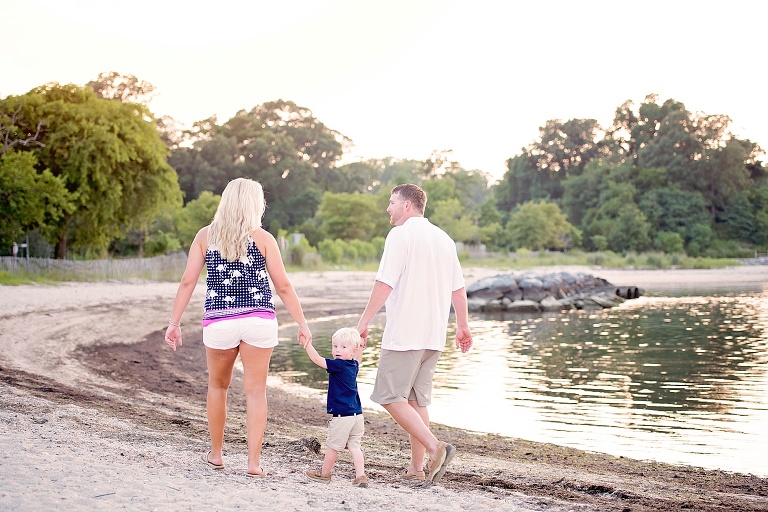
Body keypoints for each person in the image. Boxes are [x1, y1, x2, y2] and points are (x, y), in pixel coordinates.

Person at [164, 177, 312, 478]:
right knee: (256, 392)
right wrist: (302, 322)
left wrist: (174, 322)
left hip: (220, 322)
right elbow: (282, 285)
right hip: (259, 321)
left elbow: (188, 281)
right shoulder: (264, 239)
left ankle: (217, 454)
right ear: (255, 205)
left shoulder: (206, 236)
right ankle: (253, 463)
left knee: (217, 386)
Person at [356, 183, 473, 485]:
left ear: (408, 205)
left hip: (405, 333)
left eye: (392, 202)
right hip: (433, 335)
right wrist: (462, 326)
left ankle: (436, 448)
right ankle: (416, 468)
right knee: (416, 402)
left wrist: (363, 322)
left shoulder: (400, 234)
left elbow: (384, 283)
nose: (388, 209)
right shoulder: (444, 239)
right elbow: (458, 289)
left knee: (389, 395)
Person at [302, 327, 368, 487]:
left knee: (333, 446)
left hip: (343, 416)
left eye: (343, 347)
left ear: (352, 350)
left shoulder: (338, 365)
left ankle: (325, 474)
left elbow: (317, 360)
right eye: (335, 346)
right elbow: (359, 357)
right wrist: (361, 347)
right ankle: (361, 476)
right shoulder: (354, 365)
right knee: (354, 445)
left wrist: (307, 344)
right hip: (357, 415)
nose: (337, 350)